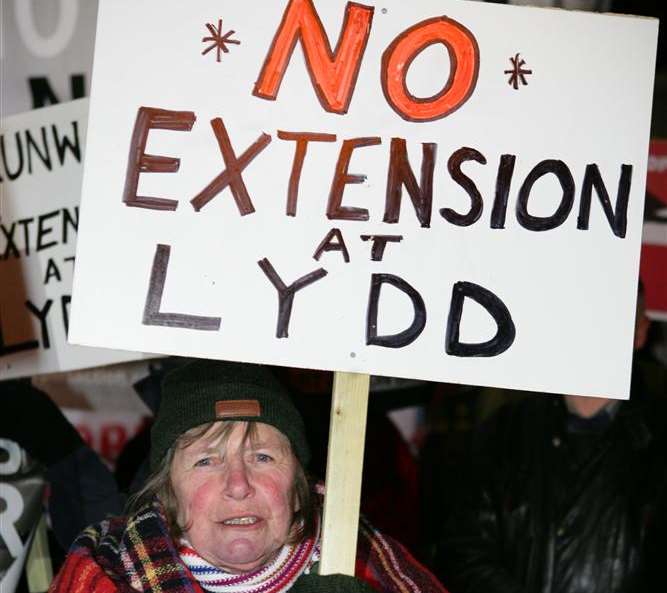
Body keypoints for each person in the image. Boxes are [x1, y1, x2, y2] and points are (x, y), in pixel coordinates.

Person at [49, 360, 448, 593]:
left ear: (299, 488)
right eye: (207, 461)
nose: (238, 485)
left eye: (262, 456)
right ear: (168, 490)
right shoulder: (103, 572)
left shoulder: (369, 561)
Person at [434, 288, 667, 592]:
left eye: (613, 320)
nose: (595, 334)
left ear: (640, 332)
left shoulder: (659, 440)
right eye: (585, 317)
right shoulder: (503, 431)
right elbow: (461, 552)